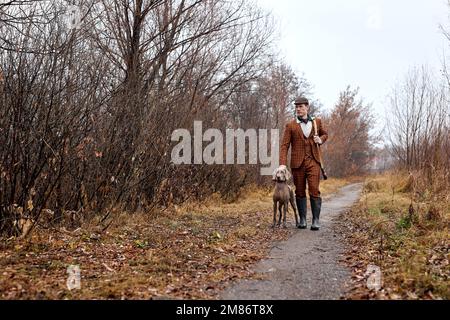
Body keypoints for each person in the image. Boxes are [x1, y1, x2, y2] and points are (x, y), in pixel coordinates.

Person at [279, 97, 328, 230]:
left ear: (307, 107)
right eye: (297, 107)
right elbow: (284, 146)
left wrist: (320, 140)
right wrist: (282, 164)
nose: (298, 109)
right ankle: (302, 219)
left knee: (314, 190)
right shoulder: (291, 125)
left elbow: (325, 134)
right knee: (300, 191)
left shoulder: (317, 122)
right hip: (297, 163)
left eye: (301, 106)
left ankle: (316, 220)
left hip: (314, 161)